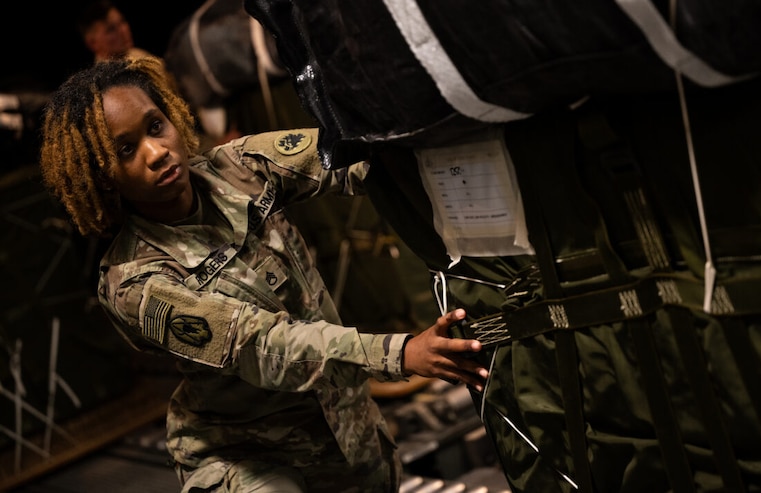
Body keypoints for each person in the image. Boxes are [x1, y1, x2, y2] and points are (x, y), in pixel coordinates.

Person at [38, 55, 488, 493]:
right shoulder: (134, 282)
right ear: (101, 176)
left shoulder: (238, 167)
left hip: (346, 429)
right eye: (125, 149)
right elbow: (263, 346)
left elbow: (345, 156)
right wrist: (401, 353)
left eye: (156, 126)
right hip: (247, 455)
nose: (156, 152)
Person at [76, 0, 155, 64]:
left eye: (122, 21)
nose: (123, 31)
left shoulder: (142, 57)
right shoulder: (97, 81)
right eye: (111, 29)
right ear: (92, 43)